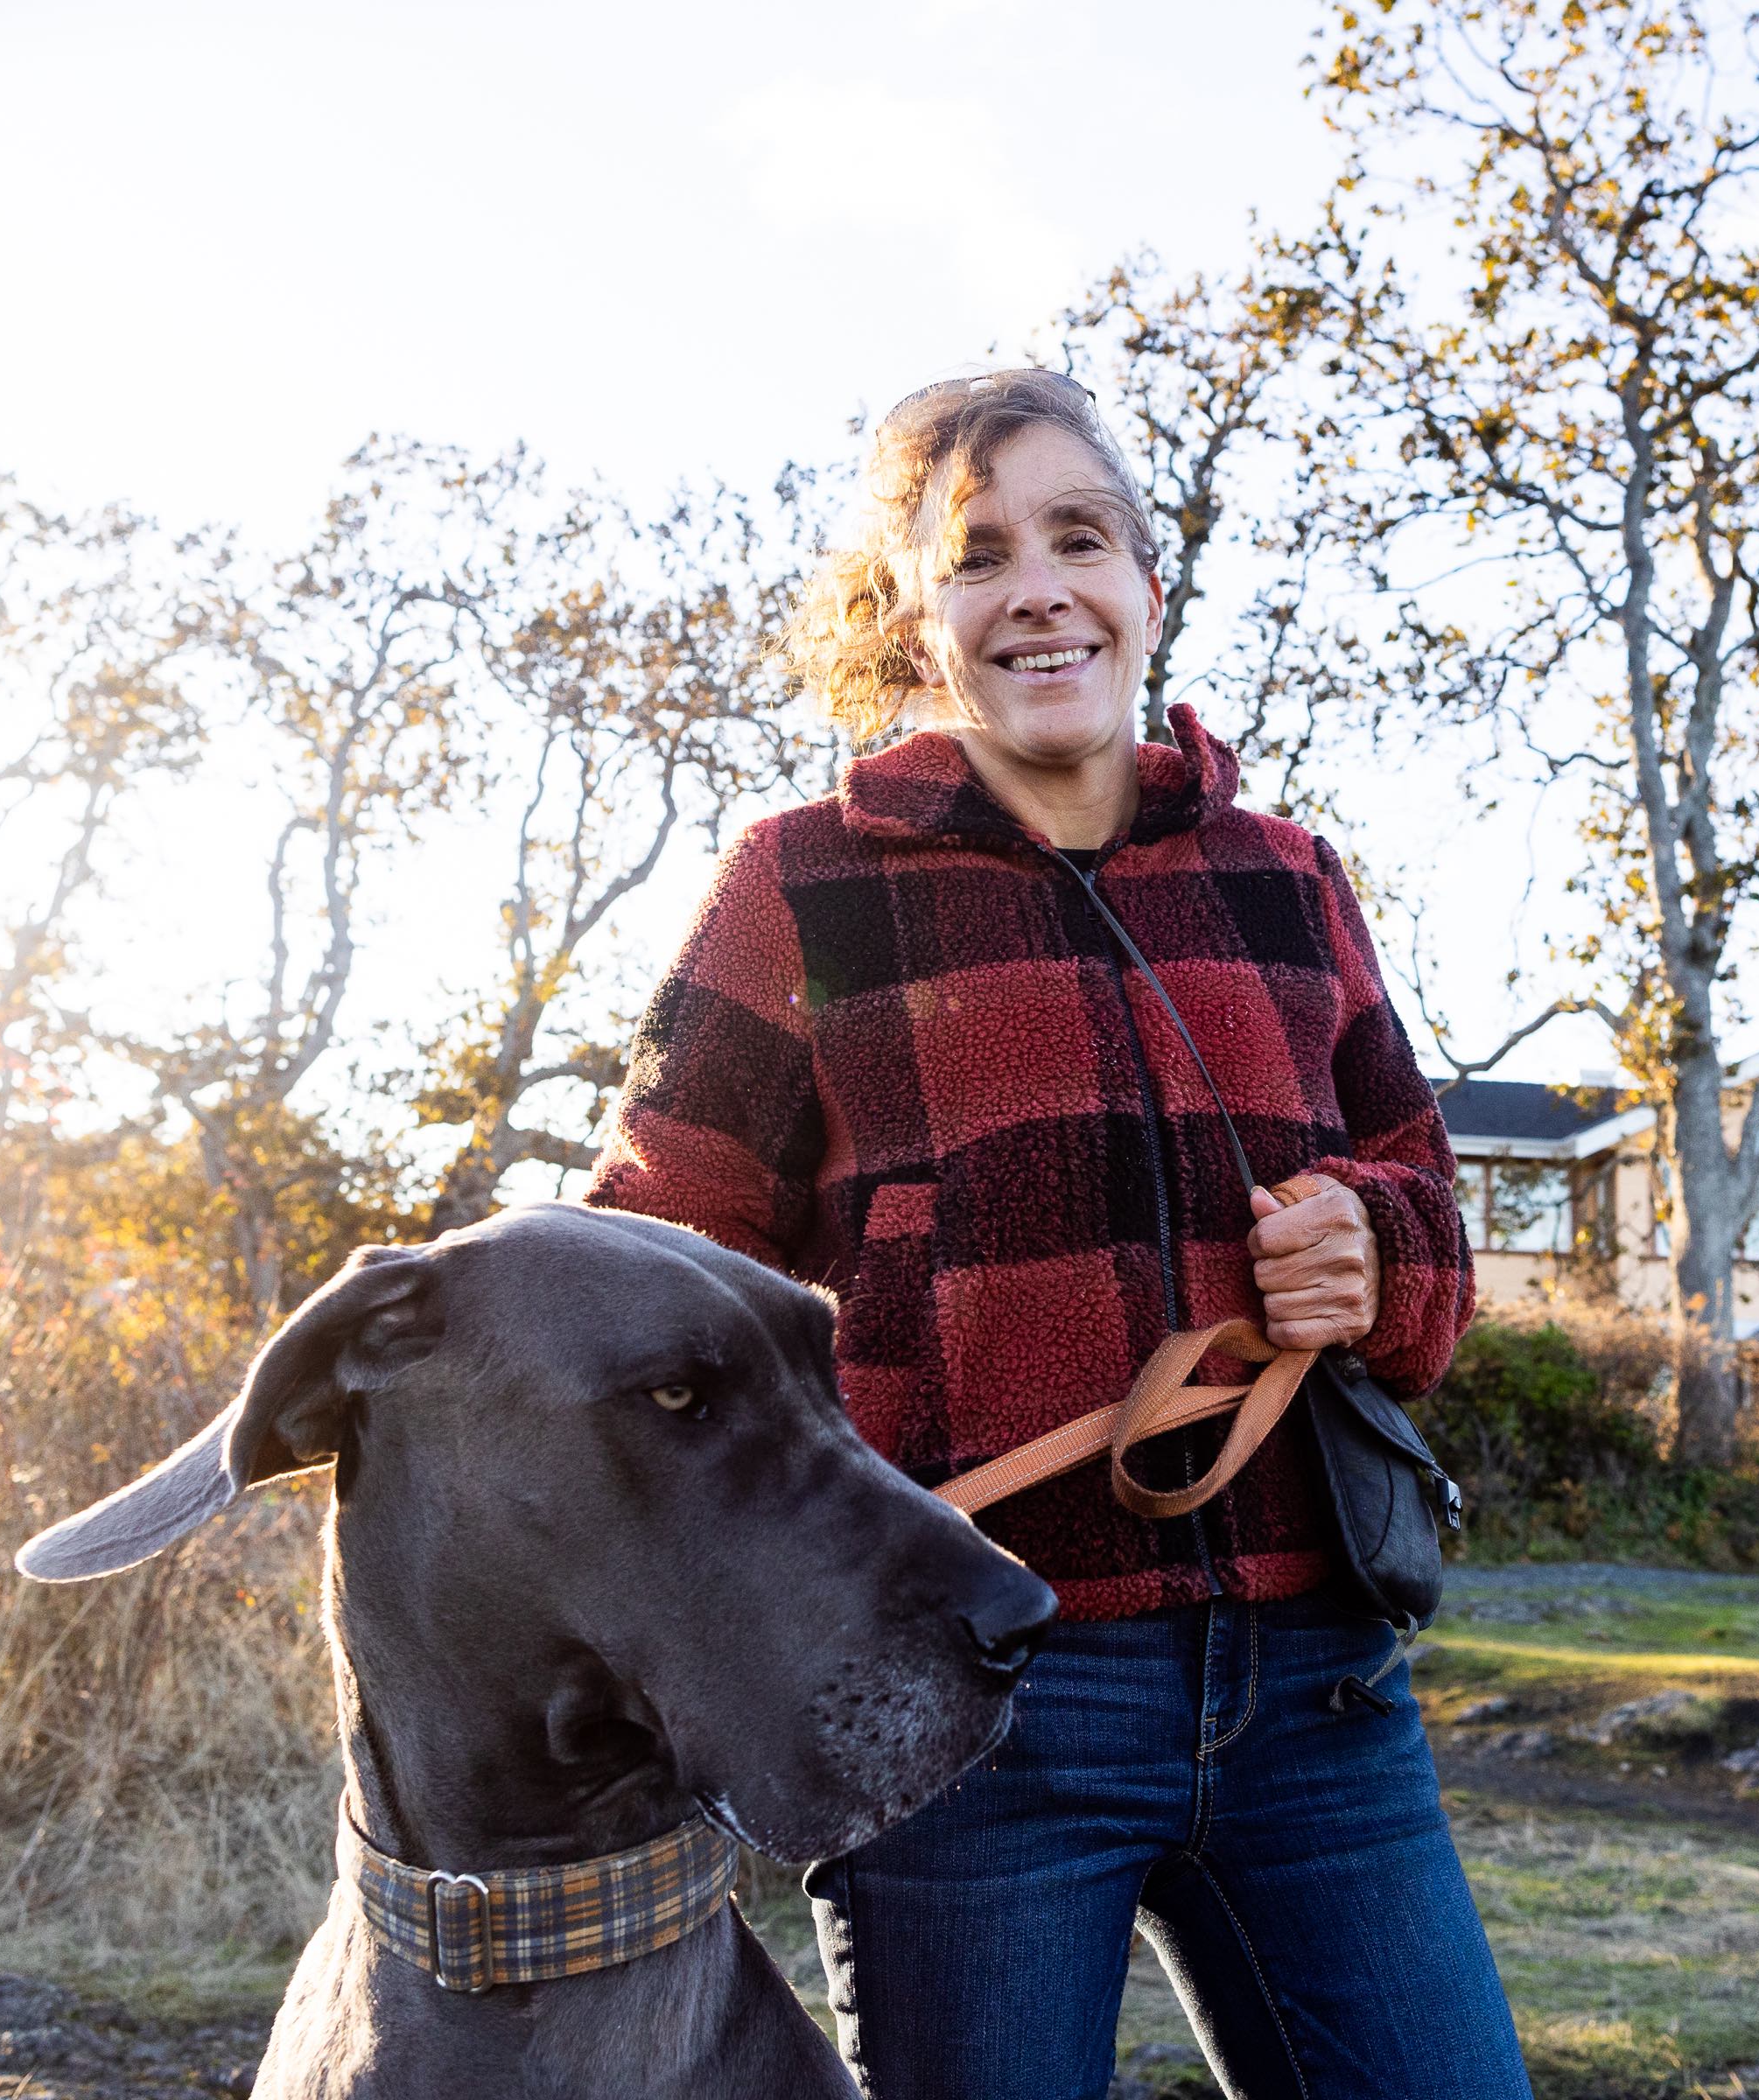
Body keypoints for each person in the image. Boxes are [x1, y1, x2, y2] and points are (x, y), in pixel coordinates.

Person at [589, 368, 1530, 2100]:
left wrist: (1377, 1252)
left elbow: (1437, 1238)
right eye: (979, 553)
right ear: (910, 620)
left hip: (1316, 1688)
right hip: (962, 1703)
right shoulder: (802, 884)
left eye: (1079, 537)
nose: (1038, 586)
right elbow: (649, 1273)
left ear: (1146, 589)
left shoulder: (1289, 875)